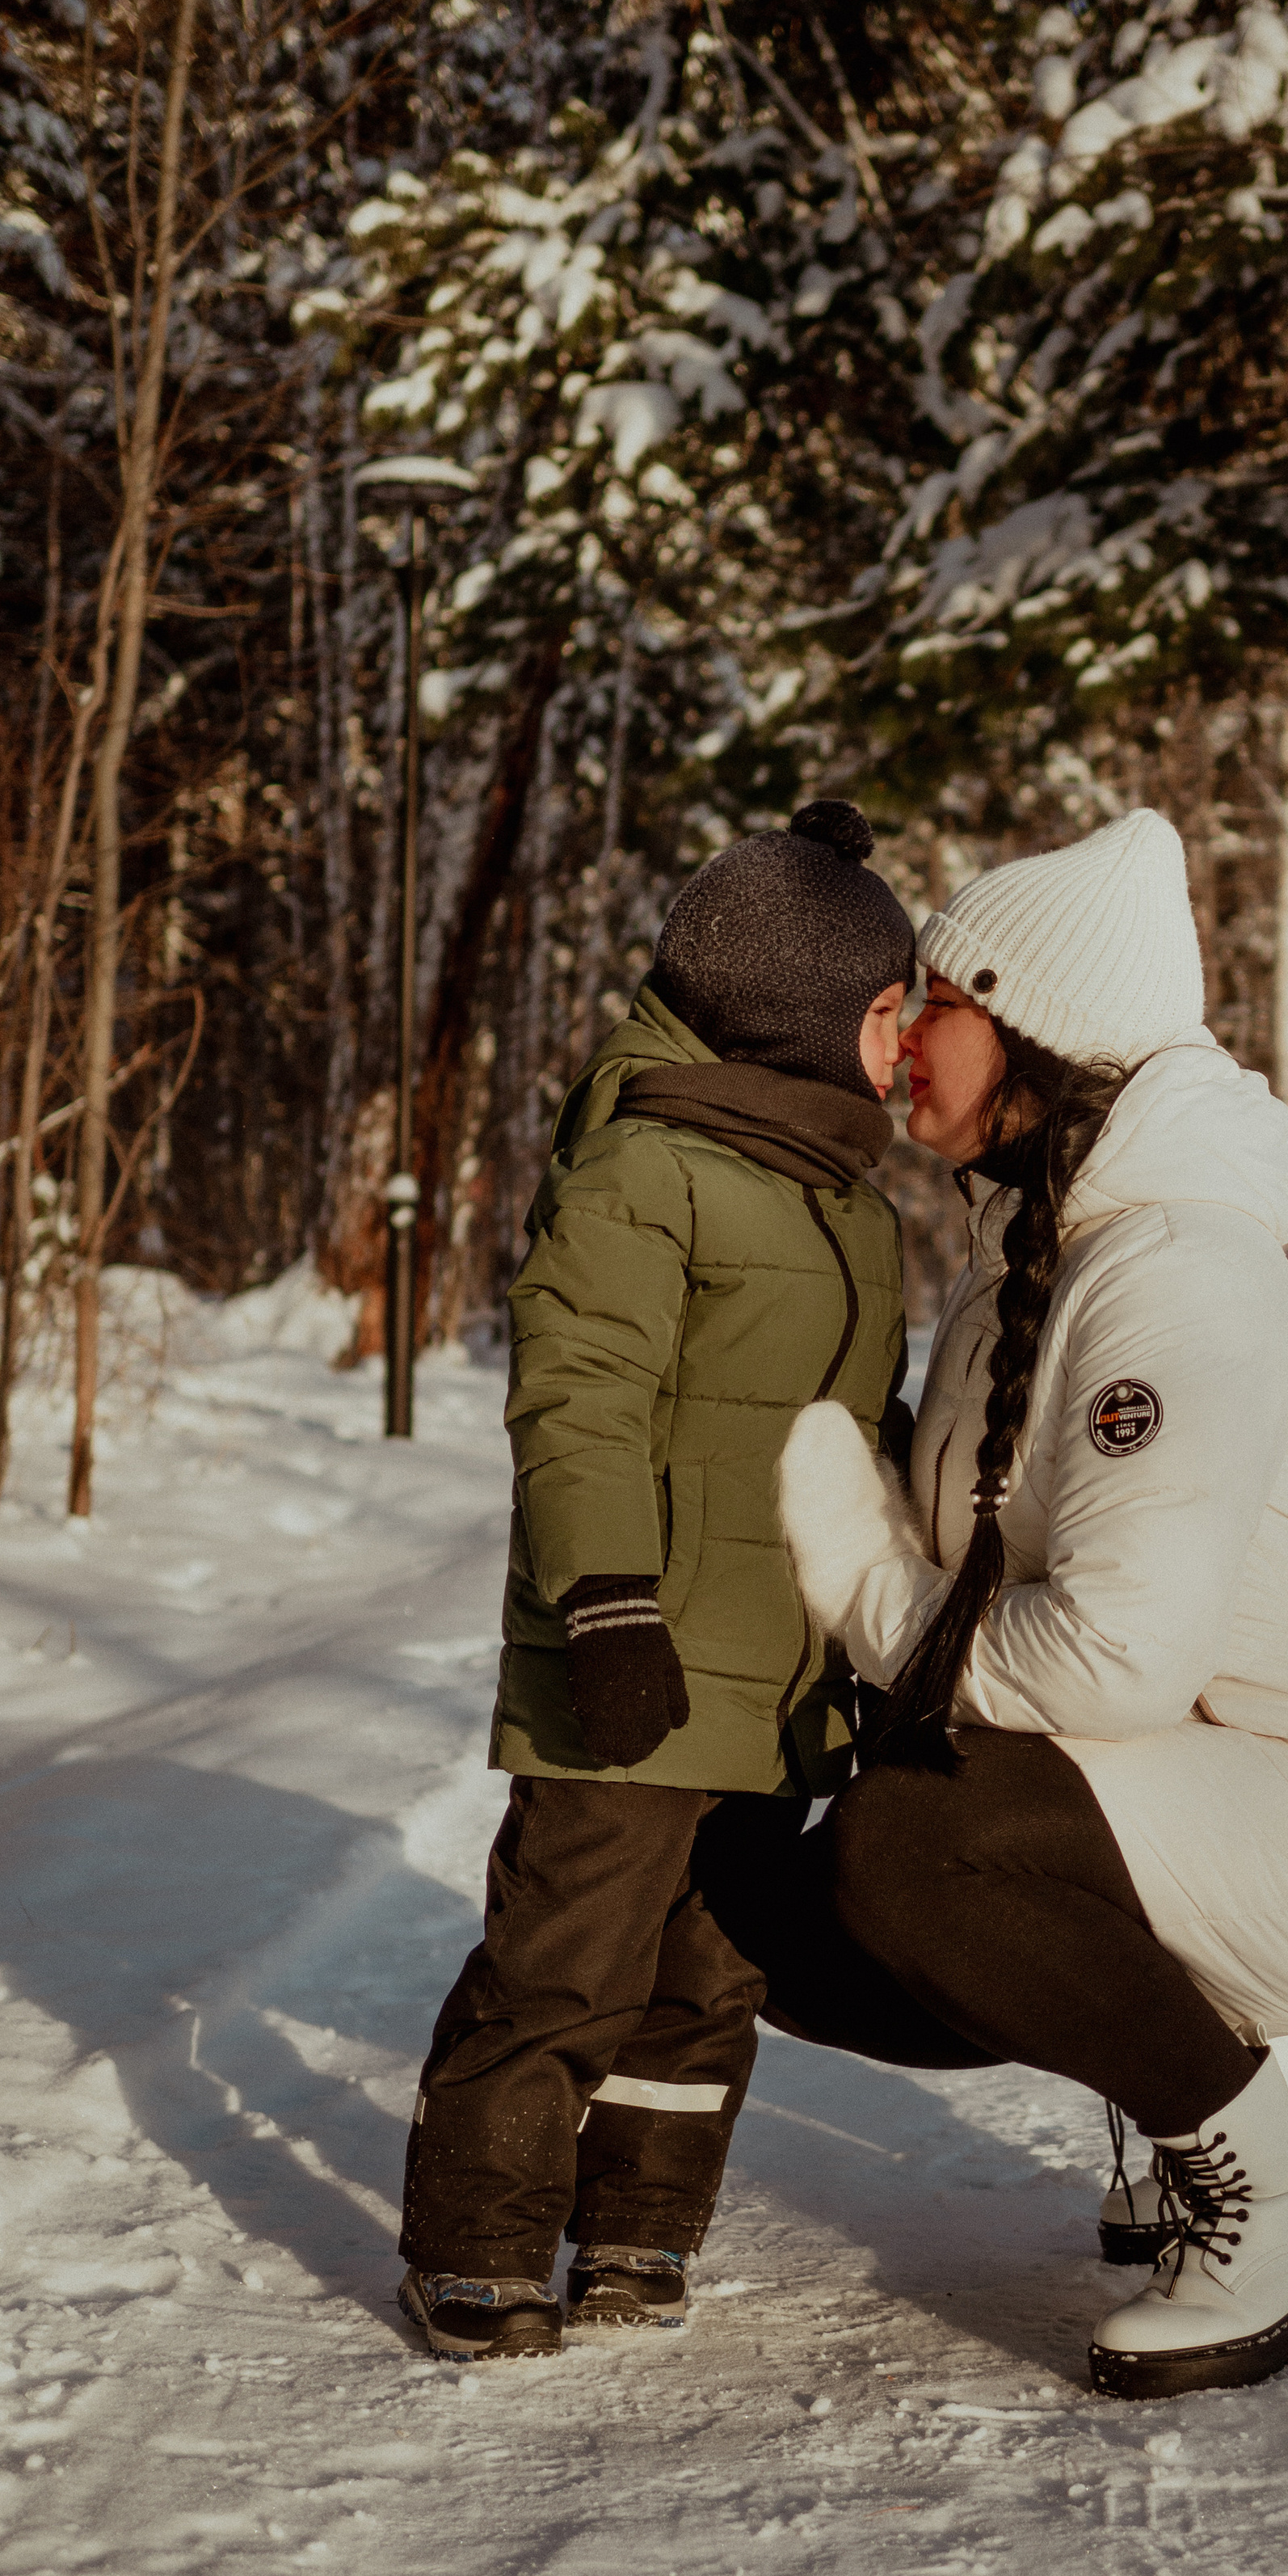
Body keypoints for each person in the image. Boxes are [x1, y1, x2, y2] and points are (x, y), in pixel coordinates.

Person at [698, 807, 1288, 2400]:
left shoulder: (1169, 1274)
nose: (894, 1037)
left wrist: (857, 1564)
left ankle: (1281, 2206)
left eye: (930, 1000)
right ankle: (1258, 2070)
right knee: (804, 1936)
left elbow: (1110, 1660)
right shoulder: (1038, 1260)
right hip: (1234, 1781)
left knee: (912, 1851)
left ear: (1034, 1027)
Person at [397, 800, 914, 2361]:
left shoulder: (851, 1202)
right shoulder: (644, 1168)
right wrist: (606, 1602)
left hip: (777, 1683)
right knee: (564, 1965)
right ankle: (477, 2239)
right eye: (890, 1011)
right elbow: (582, 1398)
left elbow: (854, 1435)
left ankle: (637, 2219)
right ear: (801, 1014)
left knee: (706, 1983)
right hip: (634, 1662)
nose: (908, 1043)